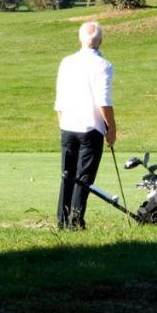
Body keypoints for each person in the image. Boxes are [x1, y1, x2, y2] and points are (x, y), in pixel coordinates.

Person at [53, 21, 117, 229]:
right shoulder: (104, 66)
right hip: (91, 129)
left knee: (67, 174)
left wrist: (61, 124)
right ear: (101, 41)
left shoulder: (66, 62)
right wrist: (112, 130)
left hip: (68, 126)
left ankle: (62, 220)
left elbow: (60, 100)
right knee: (84, 178)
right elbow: (103, 102)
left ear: (79, 39)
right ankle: (75, 221)